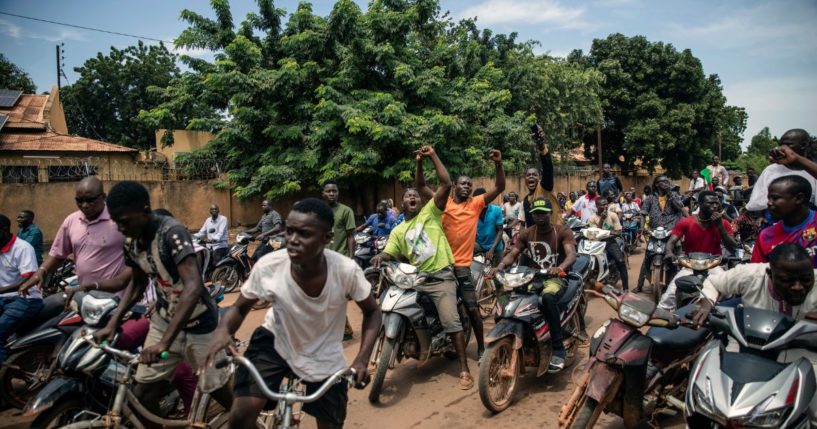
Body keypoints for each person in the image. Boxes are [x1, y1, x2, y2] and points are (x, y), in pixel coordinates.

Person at [205, 198, 380, 429]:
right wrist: (223, 330)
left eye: (304, 234)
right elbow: (238, 308)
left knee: (331, 424)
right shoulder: (270, 265)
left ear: (327, 238)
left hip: (324, 353)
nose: (292, 241)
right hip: (276, 342)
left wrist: (361, 360)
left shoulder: (346, 271)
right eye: (289, 232)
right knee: (240, 416)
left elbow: (373, 312)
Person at [94, 181, 232, 415]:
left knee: (218, 390)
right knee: (143, 395)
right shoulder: (131, 242)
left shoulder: (172, 234)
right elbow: (137, 284)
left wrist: (165, 343)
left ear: (145, 211)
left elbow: (193, 287)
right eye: (116, 222)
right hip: (164, 320)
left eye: (125, 221)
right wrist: (112, 323)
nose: (120, 228)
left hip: (201, 325)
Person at [371, 145, 474, 390]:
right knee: (387, 301)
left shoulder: (431, 212)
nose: (413, 197)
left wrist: (430, 157)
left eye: (415, 195)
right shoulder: (398, 230)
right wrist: (380, 258)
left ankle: (464, 368)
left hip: (441, 276)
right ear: (402, 203)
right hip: (416, 278)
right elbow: (390, 252)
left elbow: (446, 183)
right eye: (408, 196)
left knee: (451, 320)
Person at [690, 243, 817, 424]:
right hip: (745, 345)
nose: (798, 287)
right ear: (770, 275)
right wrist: (706, 301)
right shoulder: (750, 275)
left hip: (800, 352)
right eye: (787, 280)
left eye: (806, 279)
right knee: (716, 401)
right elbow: (714, 282)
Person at [417, 148, 505, 361]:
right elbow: (420, 186)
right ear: (454, 186)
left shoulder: (475, 204)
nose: (467, 186)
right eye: (463, 183)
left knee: (471, 308)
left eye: (470, 184)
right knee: (424, 299)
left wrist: (498, 164)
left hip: (462, 266)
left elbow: (499, 186)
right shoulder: (442, 202)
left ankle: (481, 348)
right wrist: (420, 163)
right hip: (440, 264)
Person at [488, 197, 577, 372]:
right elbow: (512, 254)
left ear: (550, 213)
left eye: (543, 213)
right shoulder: (527, 233)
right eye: (536, 213)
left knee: (547, 298)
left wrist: (559, 267)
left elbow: (571, 254)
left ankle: (558, 349)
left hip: (556, 277)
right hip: (532, 277)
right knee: (508, 299)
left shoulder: (562, 231)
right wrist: (498, 267)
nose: (539, 216)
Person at [657, 191, 737, 311]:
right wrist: (669, 252)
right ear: (700, 204)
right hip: (690, 266)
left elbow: (732, 247)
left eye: (716, 203)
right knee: (668, 298)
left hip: (713, 266)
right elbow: (671, 241)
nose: (715, 206)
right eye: (710, 203)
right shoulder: (686, 222)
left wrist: (720, 226)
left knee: (728, 293)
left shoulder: (724, 223)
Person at [0, 214, 41, 362]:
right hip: (3, 299)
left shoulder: (23, 248)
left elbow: (28, 280)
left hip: (25, 299)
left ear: (4, 230)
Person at [752, 175, 817, 267]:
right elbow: (758, 274)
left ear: (799, 198)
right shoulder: (765, 236)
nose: (769, 203)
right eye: (769, 198)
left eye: (775, 198)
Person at [636, 175, 686, 293]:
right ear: (657, 185)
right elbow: (643, 213)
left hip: (672, 230)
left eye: (667, 181)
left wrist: (671, 194)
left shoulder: (674, 196)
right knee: (648, 255)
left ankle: (680, 282)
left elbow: (680, 207)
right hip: (655, 231)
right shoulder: (649, 199)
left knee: (678, 252)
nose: (666, 183)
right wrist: (642, 228)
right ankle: (639, 285)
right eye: (663, 182)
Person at [747, 129, 817, 212]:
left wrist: (796, 159)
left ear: (803, 145)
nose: (782, 148)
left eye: (788, 145)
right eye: (781, 145)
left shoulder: (813, 169)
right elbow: (757, 203)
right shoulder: (771, 170)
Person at [522, 124, 563, 227]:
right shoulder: (526, 200)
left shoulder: (545, 187)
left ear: (539, 178)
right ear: (525, 179)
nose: (531, 177)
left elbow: (548, 167)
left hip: (555, 234)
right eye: (528, 175)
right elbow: (529, 224)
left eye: (534, 175)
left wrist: (541, 145)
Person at [588, 198, 629, 291]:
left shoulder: (613, 215)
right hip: (597, 243)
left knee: (621, 261)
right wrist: (602, 219)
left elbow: (618, 231)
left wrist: (603, 235)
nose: (605, 206)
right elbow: (595, 232)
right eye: (603, 204)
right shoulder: (592, 218)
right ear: (597, 206)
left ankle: (626, 287)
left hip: (610, 242)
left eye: (606, 204)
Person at [474, 188, 505, 267]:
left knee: (497, 272)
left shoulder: (496, 210)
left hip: (495, 246)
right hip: (480, 245)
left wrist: (492, 250)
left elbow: (500, 231)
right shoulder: (472, 211)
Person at [194, 204, 229, 269]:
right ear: (210, 211)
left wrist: (213, 239)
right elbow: (201, 232)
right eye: (212, 209)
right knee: (200, 257)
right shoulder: (208, 220)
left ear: (219, 211)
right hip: (209, 245)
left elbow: (220, 233)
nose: (214, 210)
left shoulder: (223, 219)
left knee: (215, 264)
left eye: (216, 209)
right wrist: (192, 236)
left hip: (220, 245)